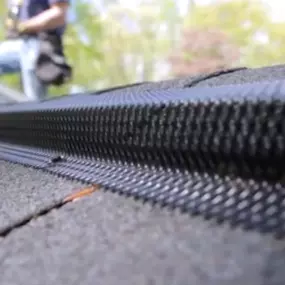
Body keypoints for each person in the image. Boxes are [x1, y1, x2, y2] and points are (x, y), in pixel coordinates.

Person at [0, 0, 70, 100]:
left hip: (40, 42)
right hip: (18, 43)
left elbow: (59, 13)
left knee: (33, 100)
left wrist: (24, 26)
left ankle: (34, 109)